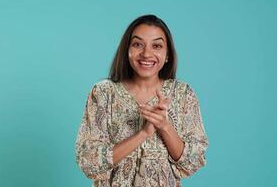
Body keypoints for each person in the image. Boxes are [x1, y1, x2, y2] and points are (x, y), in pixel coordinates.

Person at [75, 14, 209, 187]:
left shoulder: (183, 95)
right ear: (127, 50)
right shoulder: (103, 93)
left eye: (157, 46)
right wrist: (143, 134)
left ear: (167, 54)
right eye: (138, 44)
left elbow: (193, 161)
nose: (146, 53)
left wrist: (165, 126)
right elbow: (89, 162)